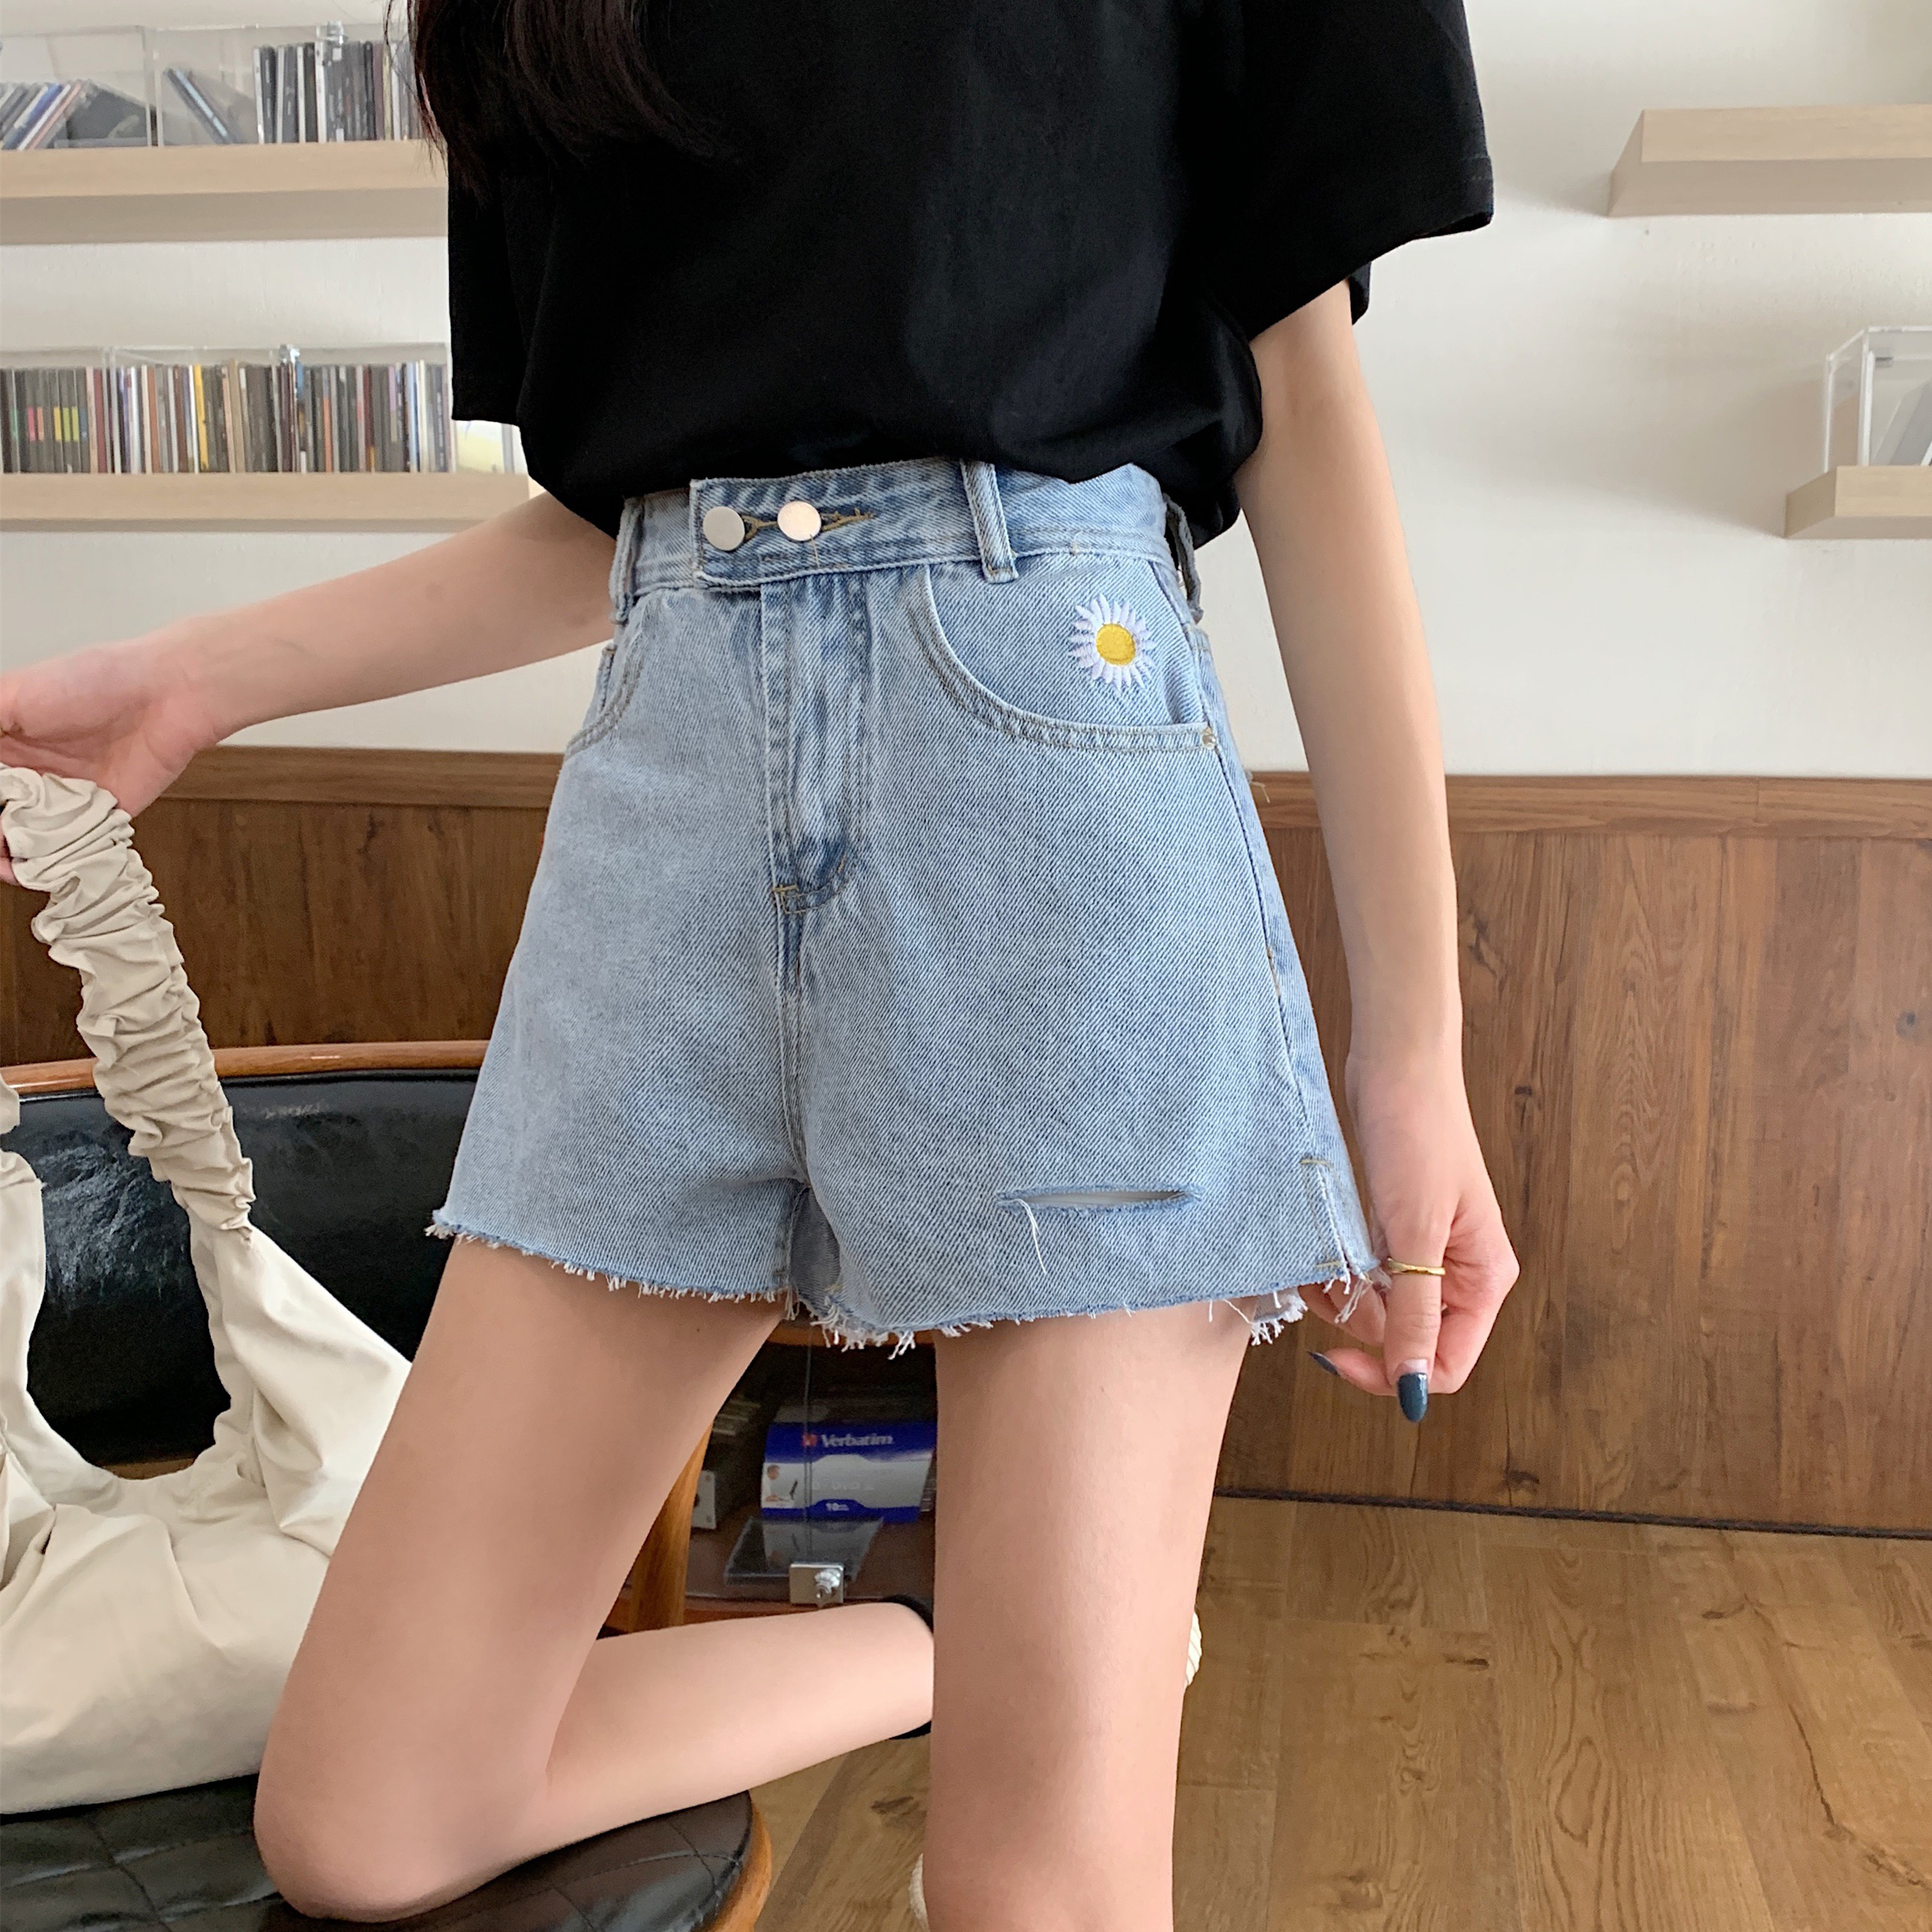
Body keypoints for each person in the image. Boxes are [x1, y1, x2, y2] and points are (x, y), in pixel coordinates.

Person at [0, 1, 1520, 1925]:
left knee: (1034, 1890)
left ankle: (1063, 1695)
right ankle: (965, 1654)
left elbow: (1305, 409)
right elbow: (623, 510)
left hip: (1047, 763)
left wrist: (1411, 1053)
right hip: (669, 793)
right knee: (368, 1823)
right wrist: (187, 679)